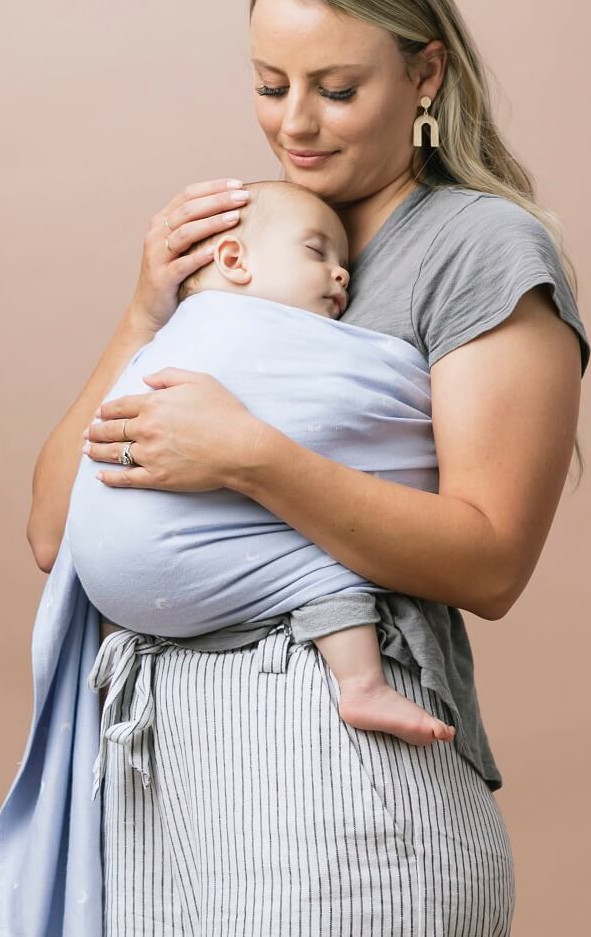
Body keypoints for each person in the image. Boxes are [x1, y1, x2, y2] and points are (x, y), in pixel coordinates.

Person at [0, 0, 589, 937]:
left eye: (337, 89)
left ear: (427, 77)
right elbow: (57, 531)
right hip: (168, 795)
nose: (295, 124)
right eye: (271, 86)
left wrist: (251, 456)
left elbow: (490, 562)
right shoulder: (255, 243)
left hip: (339, 786)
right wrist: (146, 310)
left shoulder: (478, 250)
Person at [68, 176, 457, 752]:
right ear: (234, 260)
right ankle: (362, 685)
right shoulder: (201, 331)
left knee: (326, 547)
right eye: (315, 251)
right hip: (153, 620)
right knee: (328, 570)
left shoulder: (211, 337)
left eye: (343, 261)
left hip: (120, 601)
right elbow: (388, 393)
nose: (341, 273)